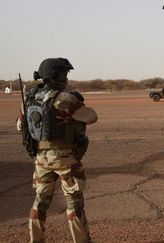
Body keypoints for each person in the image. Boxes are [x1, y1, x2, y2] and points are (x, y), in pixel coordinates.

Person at [17, 58, 97, 243]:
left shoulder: (29, 99)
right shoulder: (65, 99)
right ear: (58, 75)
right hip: (65, 159)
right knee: (74, 202)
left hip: (41, 160)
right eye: (65, 73)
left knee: (40, 202)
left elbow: (20, 126)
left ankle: (36, 240)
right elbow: (92, 116)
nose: (67, 77)